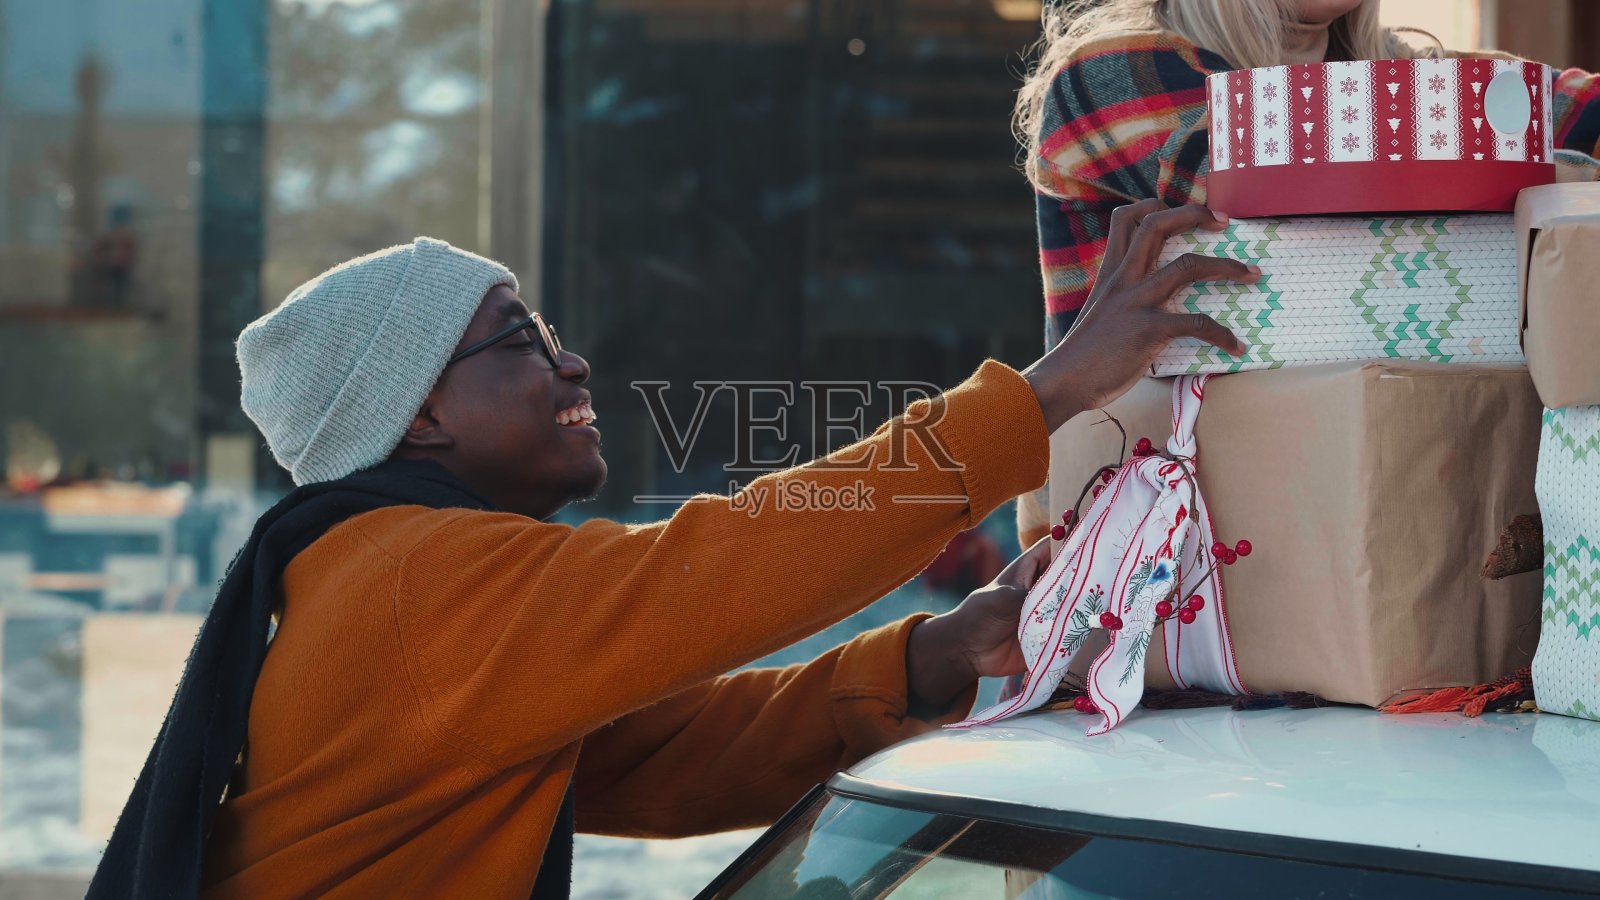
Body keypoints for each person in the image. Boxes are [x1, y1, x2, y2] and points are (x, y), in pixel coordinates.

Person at [87, 203, 1253, 898]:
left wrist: (933, 658)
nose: (571, 362)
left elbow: (665, 761)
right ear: (421, 417)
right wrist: (1043, 394)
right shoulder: (413, 579)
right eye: (522, 339)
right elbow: (736, 555)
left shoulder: (390, 580)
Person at [1013, 0, 1600, 546]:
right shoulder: (1115, 71)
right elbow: (1288, 196)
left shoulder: (1399, 80)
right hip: (1143, 558)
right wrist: (1541, 166)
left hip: (1376, 512)